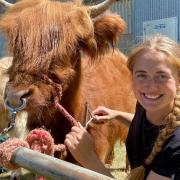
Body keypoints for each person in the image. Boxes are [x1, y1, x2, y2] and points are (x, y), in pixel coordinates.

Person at [64, 35, 180, 180]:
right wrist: (116, 114)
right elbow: (144, 124)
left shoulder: (176, 146)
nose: (150, 86)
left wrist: (89, 158)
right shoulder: (146, 106)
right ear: (131, 78)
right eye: (142, 75)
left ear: (178, 79)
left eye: (162, 76)